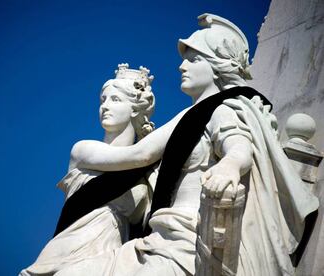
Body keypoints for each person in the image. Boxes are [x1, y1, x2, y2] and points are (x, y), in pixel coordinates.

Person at [55, 14, 319, 276]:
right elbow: (144, 156)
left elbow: (239, 148)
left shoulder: (226, 109)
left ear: (218, 65)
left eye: (194, 59)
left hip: (190, 242)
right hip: (158, 240)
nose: (182, 67)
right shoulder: (189, 120)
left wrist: (229, 166)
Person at [19, 64, 157, 276]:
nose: (105, 106)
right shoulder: (83, 150)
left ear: (135, 109)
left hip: (115, 259)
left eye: (115, 99)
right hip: (73, 249)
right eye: (103, 100)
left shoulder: (148, 175)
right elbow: (141, 155)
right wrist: (198, 111)